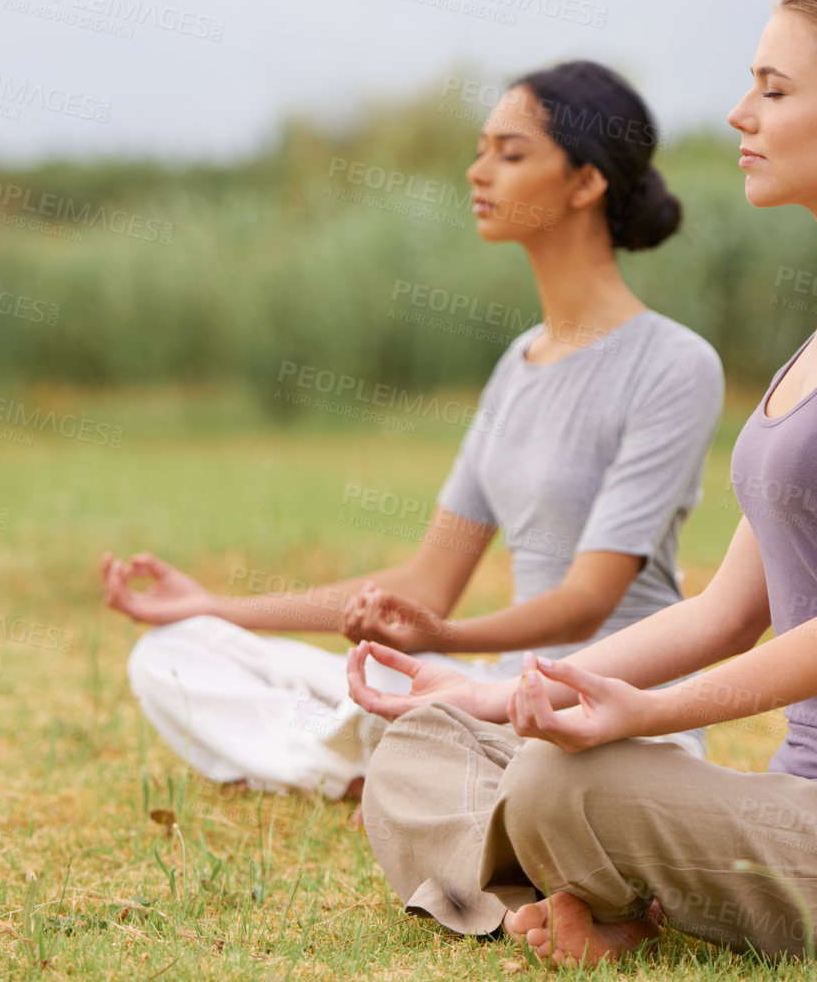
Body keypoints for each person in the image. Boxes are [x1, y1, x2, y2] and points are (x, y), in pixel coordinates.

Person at [346, 0, 817, 973]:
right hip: (803, 804)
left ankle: (568, 888)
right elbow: (725, 616)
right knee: (423, 746)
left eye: (775, 88)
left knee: (555, 786)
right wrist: (495, 693)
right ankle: (589, 905)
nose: (739, 113)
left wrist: (644, 716)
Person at [102, 60, 725, 802]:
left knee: (503, 742)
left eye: (510, 152)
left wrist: (445, 640)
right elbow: (426, 583)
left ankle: (410, 775)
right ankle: (395, 774)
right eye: (480, 148)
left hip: (610, 710)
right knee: (174, 654)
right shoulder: (515, 365)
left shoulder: (674, 364)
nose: (477, 171)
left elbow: (589, 598)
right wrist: (208, 607)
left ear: (586, 182)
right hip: (487, 691)